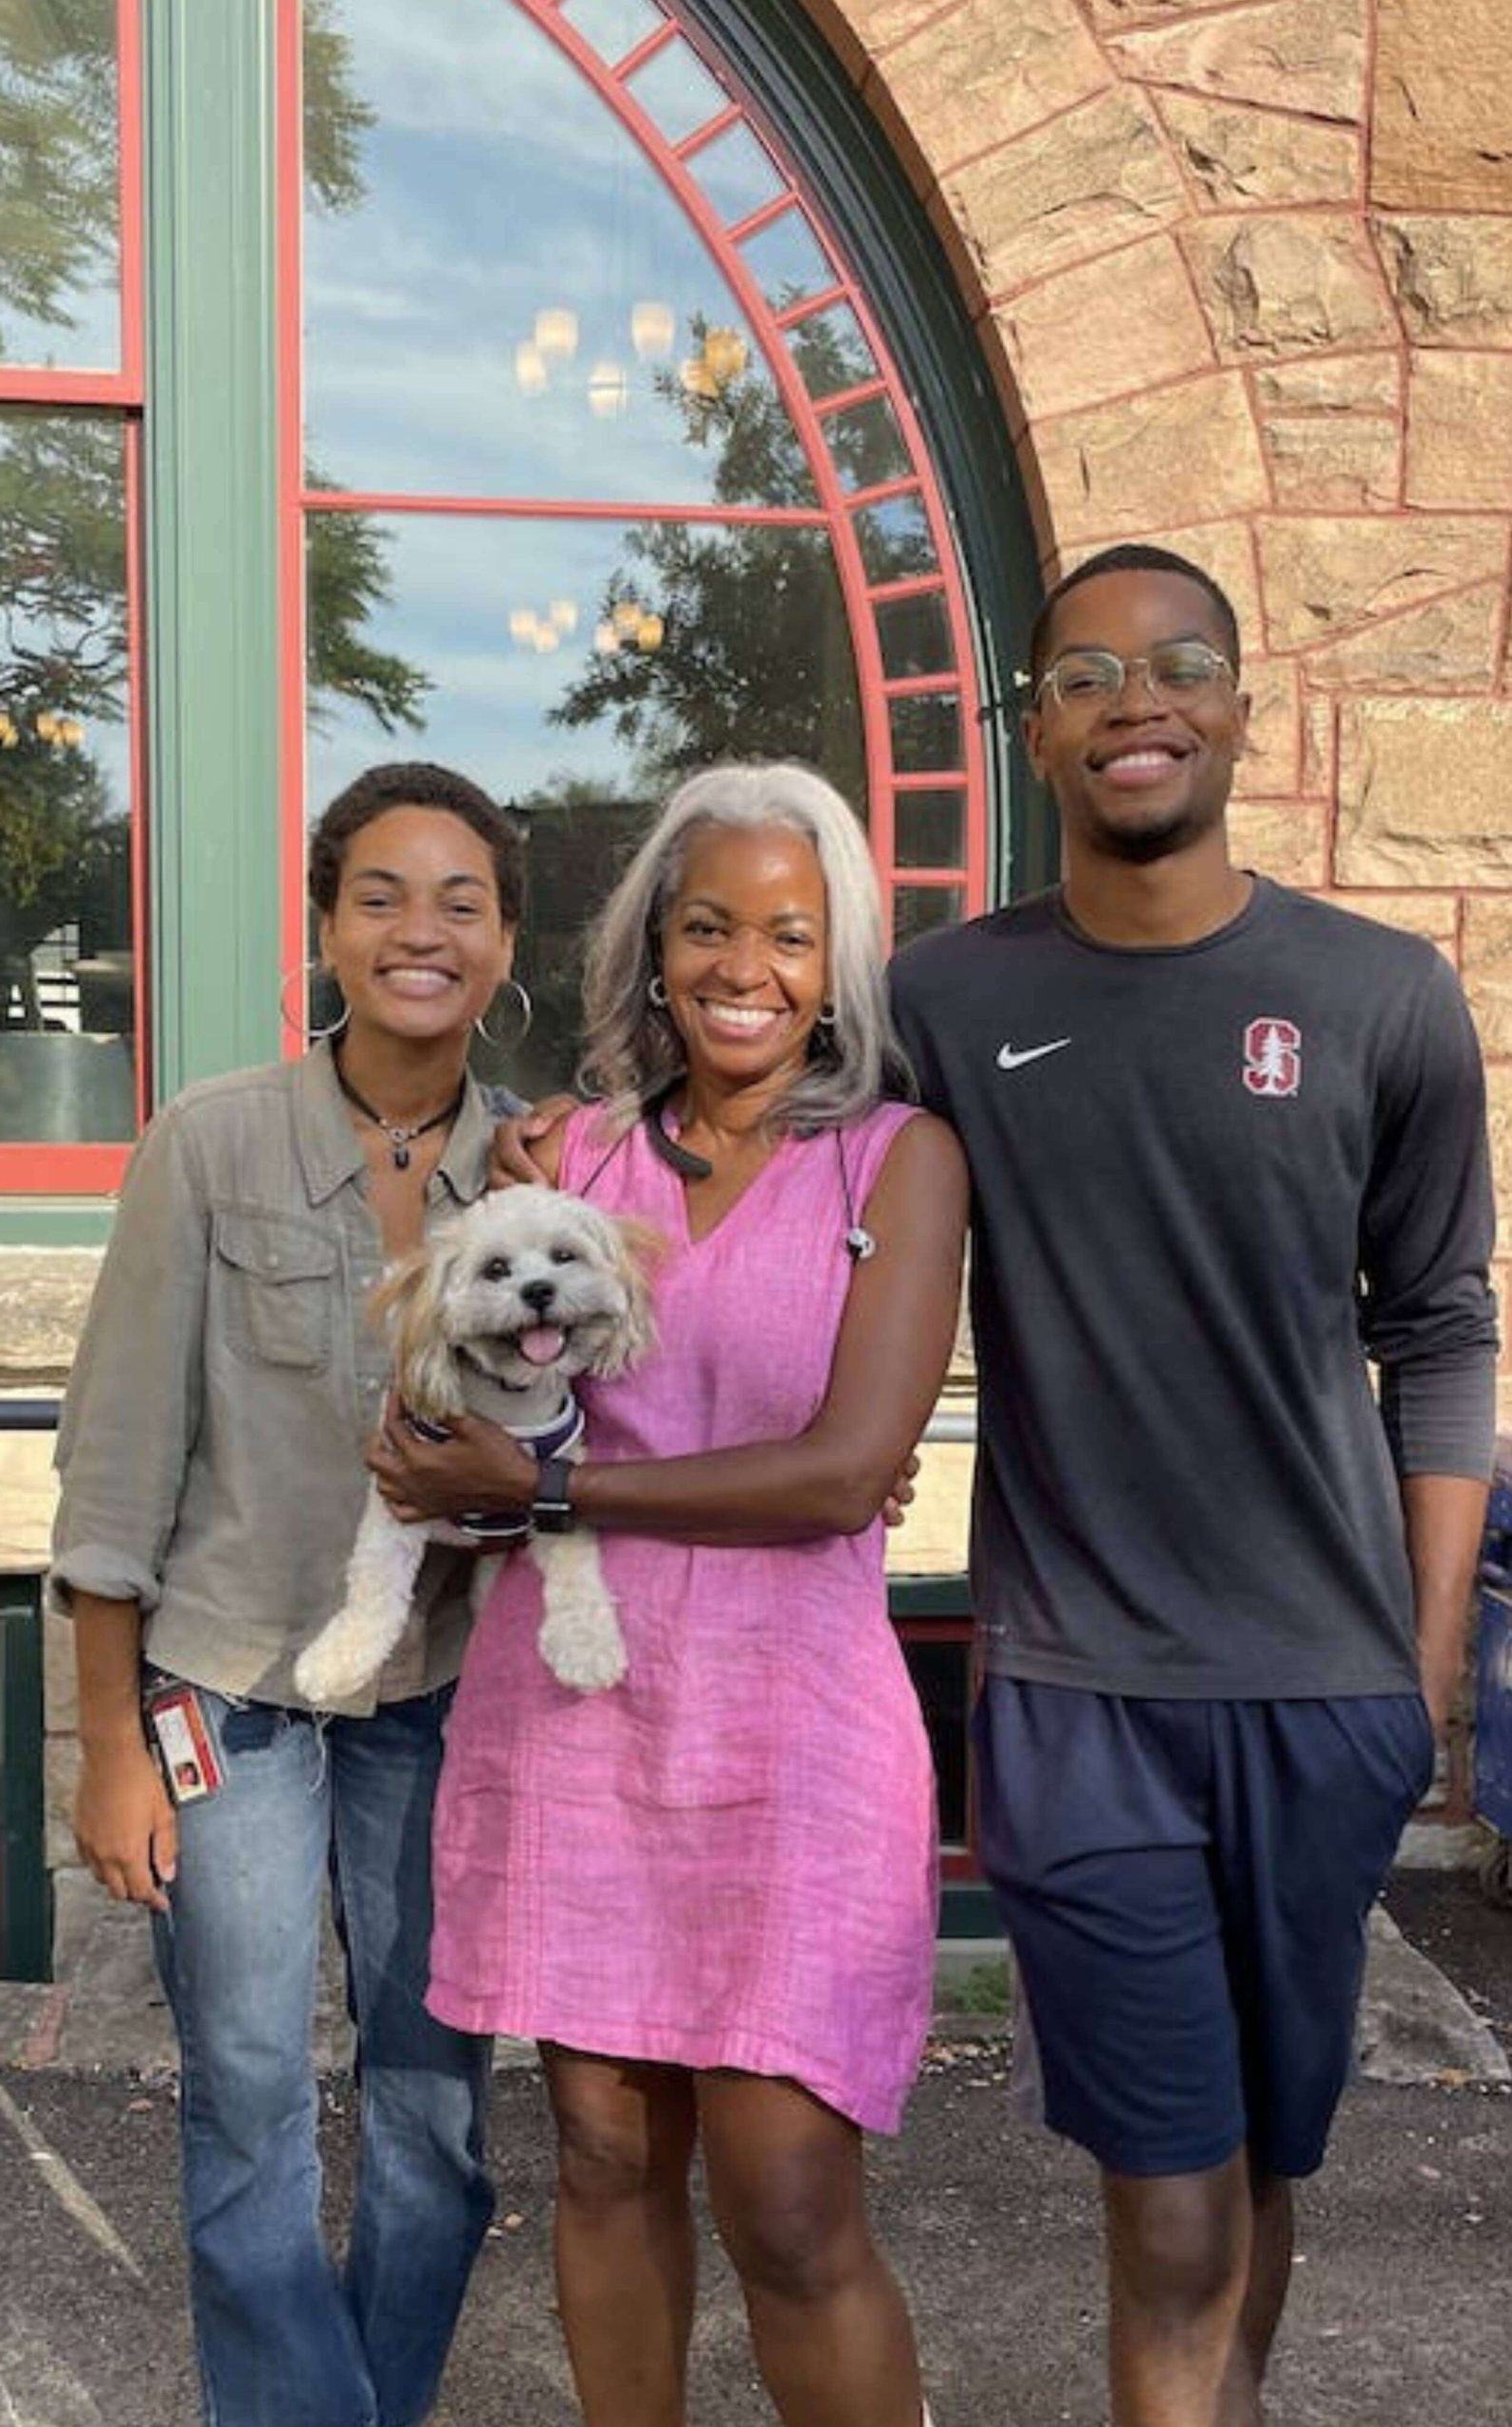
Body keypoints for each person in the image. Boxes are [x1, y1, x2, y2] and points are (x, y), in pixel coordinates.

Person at [888, 543, 1499, 2427]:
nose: (1131, 701)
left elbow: (1441, 1330)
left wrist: (1414, 1668)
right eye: (1083, 674)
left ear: (1242, 707)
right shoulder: (942, 1000)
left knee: (1259, 2165)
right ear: (1034, 725)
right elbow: (754, 1166)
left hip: (1319, 1697)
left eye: (1173, 667)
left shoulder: (1379, 996)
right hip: (1080, 1701)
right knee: (1162, 2202)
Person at [369, 763, 968, 2427]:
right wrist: (460, 1456)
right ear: (653, 945)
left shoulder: (897, 1168)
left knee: (787, 2195)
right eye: (708, 926)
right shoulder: (565, 1157)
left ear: (838, 961)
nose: (744, 967)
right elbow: (448, 1389)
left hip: (798, 1733)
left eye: (790, 934)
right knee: (603, 2155)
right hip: (576, 1714)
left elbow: (847, 1473)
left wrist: (547, 1489)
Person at [48, 761, 534, 2427]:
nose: (420, 931)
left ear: (502, 941)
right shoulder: (207, 1143)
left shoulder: (540, 1181)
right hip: (228, 1689)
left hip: (443, 1699)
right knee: (248, 2090)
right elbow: (115, 1469)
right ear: (325, 930)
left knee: (435, 2106)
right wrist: (108, 1741)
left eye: (458, 900)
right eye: (380, 895)